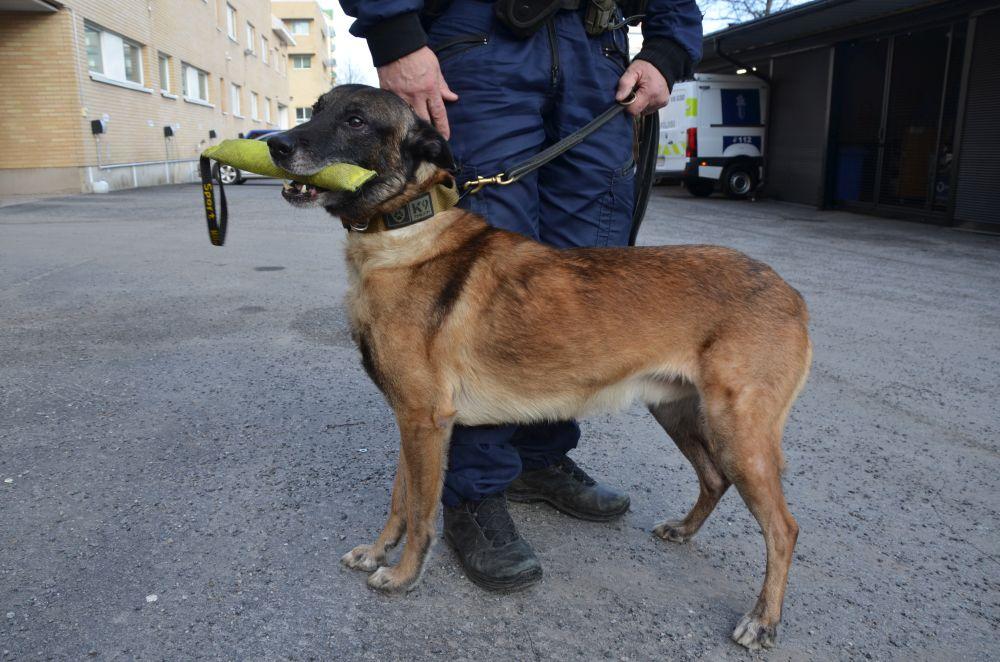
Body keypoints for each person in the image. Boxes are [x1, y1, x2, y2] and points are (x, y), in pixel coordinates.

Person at [339, 0, 703, 591]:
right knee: (484, 296)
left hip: (599, 51)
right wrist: (394, 32)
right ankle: (472, 491)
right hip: (480, 38)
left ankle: (538, 457)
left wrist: (668, 48)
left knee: (586, 288)